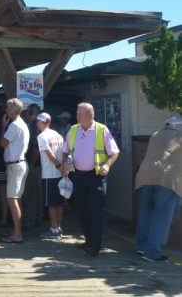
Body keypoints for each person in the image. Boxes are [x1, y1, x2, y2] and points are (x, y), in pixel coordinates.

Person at [62, 102, 120, 257]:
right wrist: (65, 165)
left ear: (89, 115)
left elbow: (114, 152)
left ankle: (95, 246)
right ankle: (89, 241)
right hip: (78, 177)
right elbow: (66, 151)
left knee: (96, 212)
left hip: (96, 178)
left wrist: (107, 165)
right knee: (82, 211)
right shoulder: (73, 130)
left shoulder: (102, 130)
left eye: (79, 113)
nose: (76, 116)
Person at [135, 114, 182, 262]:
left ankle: (142, 246)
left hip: (145, 176)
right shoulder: (180, 135)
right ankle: (153, 252)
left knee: (146, 212)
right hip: (167, 178)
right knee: (163, 216)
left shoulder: (155, 134)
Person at [0, 98, 30, 244]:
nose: (6, 110)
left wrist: (3, 127)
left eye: (7, 108)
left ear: (12, 110)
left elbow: (2, 143)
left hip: (15, 165)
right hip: (20, 164)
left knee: (12, 200)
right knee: (17, 199)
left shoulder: (14, 125)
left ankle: (18, 234)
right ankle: (17, 231)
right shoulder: (22, 124)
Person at [35, 112, 66, 239]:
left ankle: (53, 228)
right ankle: (58, 227)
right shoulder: (58, 135)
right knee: (60, 202)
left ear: (40, 122)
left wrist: (58, 165)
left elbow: (49, 154)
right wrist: (63, 167)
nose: (36, 123)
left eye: (37, 121)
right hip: (60, 173)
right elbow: (64, 152)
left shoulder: (41, 136)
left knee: (51, 203)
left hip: (49, 173)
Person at [22, 103, 43, 230]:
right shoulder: (41, 125)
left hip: (34, 165)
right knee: (38, 194)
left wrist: (31, 164)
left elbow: (36, 148)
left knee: (30, 194)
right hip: (40, 165)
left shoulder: (34, 127)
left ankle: (29, 220)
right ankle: (39, 218)